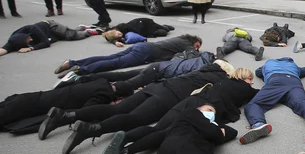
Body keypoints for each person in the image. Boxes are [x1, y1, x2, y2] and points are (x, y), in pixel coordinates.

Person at [39, 62, 231, 154]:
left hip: (158, 86)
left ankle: (65, 115)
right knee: (135, 118)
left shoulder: (202, 70)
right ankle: (91, 129)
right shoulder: (219, 80)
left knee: (118, 109)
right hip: (168, 97)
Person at [93, 68, 257, 154]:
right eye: (251, 80)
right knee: (167, 134)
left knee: (159, 129)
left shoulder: (223, 81)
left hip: (189, 101)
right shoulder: (245, 88)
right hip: (205, 110)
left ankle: (125, 138)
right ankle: (123, 153)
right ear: (246, 78)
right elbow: (262, 93)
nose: (252, 83)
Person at [0, 79, 130, 136]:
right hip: (28, 107)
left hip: (28, 98)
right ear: (119, 97)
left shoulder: (100, 83)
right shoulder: (104, 94)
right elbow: (87, 111)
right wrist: (108, 105)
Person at [239, 57, 305, 145]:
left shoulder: (268, 64)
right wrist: (295, 69)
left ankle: (258, 124)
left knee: (255, 104)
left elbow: (258, 72)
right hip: (294, 82)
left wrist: (265, 74)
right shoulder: (293, 65)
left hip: (276, 80)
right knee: (300, 102)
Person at [57, 50, 216, 91]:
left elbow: (176, 64)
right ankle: (78, 82)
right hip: (156, 72)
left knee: (122, 75)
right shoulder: (200, 68)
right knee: (125, 85)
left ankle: (84, 77)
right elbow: (179, 78)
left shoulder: (198, 59)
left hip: (157, 68)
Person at [52, 34, 202, 77]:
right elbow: (193, 55)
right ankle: (80, 70)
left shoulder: (181, 40)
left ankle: (72, 62)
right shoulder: (186, 43)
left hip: (143, 46)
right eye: (197, 46)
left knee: (109, 57)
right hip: (146, 52)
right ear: (194, 41)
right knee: (116, 63)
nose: (196, 48)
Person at [0, 20, 97, 60]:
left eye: (29, 38)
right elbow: (5, 48)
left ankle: (90, 31)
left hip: (51, 26)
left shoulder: (32, 29)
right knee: (68, 35)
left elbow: (46, 43)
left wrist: (30, 48)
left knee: (73, 36)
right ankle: (83, 27)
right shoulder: (14, 40)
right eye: (28, 40)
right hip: (51, 36)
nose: (30, 39)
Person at [101, 18, 175, 47]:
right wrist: (115, 42)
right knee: (163, 33)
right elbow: (108, 38)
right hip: (146, 32)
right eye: (118, 37)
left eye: (118, 34)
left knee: (165, 30)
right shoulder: (117, 36)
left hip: (143, 23)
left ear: (115, 31)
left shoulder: (122, 26)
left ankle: (165, 26)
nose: (120, 35)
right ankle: (164, 28)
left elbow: (136, 31)